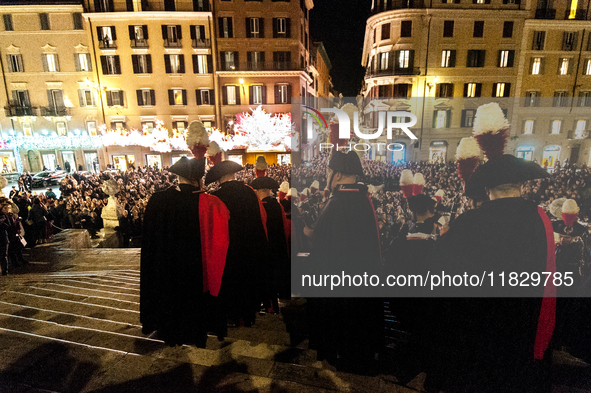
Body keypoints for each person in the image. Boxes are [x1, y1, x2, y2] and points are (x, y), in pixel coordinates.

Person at [428, 154, 555, 392]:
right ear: (521, 185)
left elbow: (440, 278)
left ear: (487, 189)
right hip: (519, 332)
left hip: (473, 335)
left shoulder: (466, 222)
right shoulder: (540, 220)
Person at [306, 150, 383, 374]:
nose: (326, 174)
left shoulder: (337, 203)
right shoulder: (362, 199)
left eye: (329, 171)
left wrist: (311, 233)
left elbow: (328, 251)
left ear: (338, 174)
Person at [140, 157, 230, 347]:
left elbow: (149, 244)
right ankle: (196, 334)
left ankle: (169, 331)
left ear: (178, 176)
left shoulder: (157, 200)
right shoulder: (210, 203)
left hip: (165, 271)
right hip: (196, 271)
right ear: (198, 179)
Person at [204, 160, 268, 329]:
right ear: (233, 174)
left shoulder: (217, 196)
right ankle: (249, 315)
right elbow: (259, 219)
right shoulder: (249, 192)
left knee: (230, 280)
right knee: (247, 278)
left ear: (218, 179)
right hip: (249, 244)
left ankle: (232, 316)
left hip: (228, 247)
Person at [251, 176, 290, 312]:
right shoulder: (277, 205)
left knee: (265, 279)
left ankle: (268, 306)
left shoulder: (260, 206)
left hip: (265, 247)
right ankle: (273, 306)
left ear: (258, 191)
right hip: (277, 247)